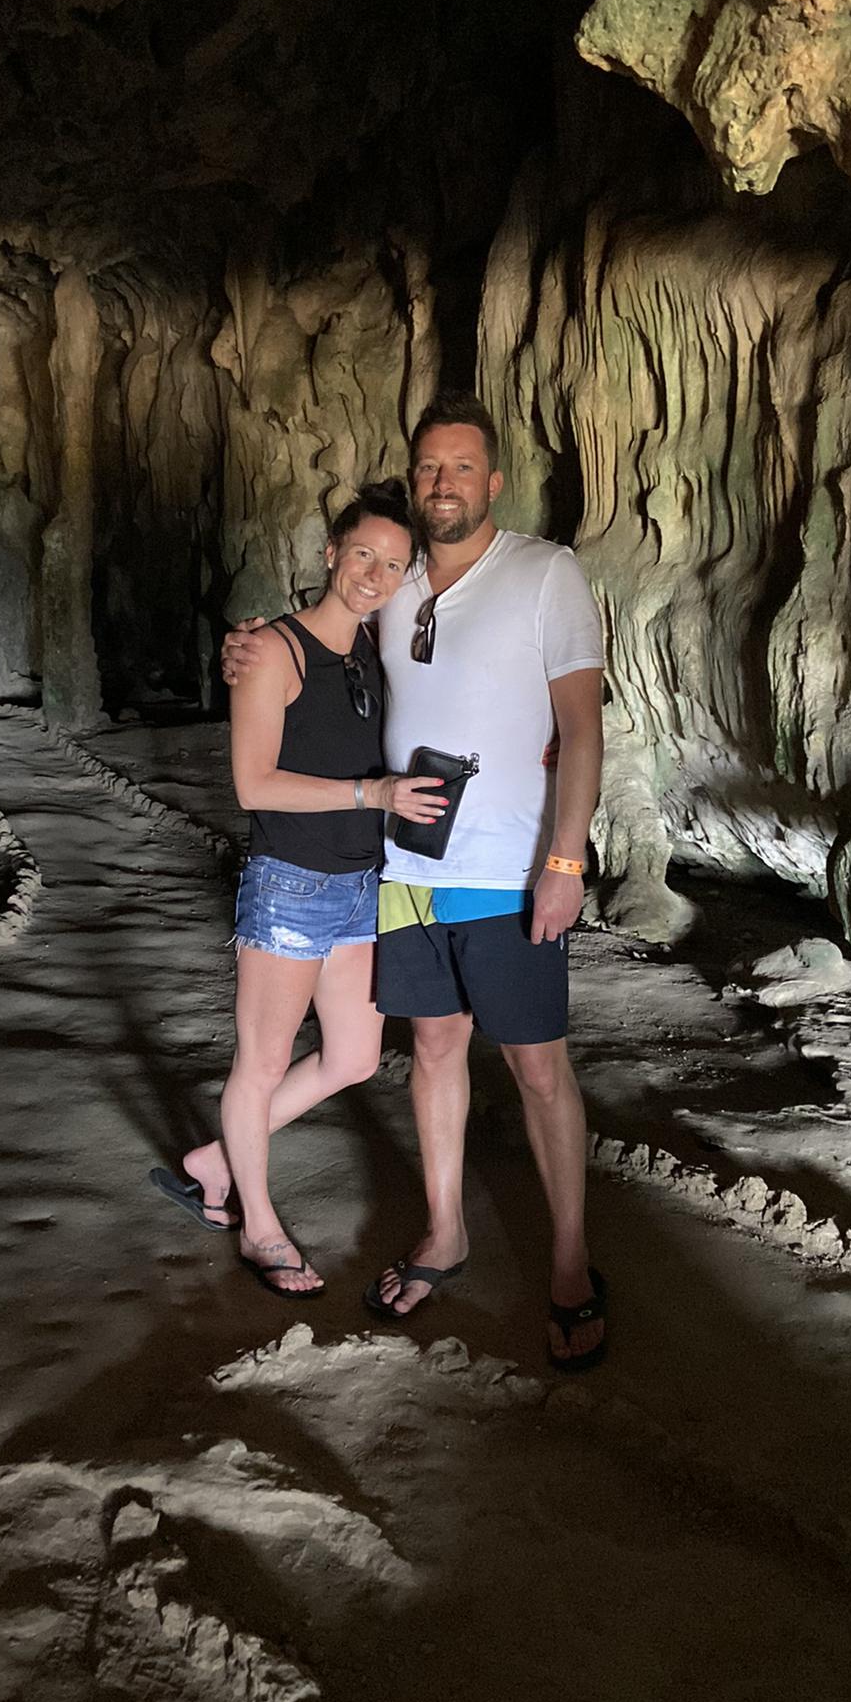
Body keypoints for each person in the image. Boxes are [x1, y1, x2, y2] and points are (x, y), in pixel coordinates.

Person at [225, 395, 607, 1369]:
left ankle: (569, 1264)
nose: (444, 483)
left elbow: (584, 725)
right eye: (430, 467)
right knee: (432, 1052)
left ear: (494, 479)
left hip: (510, 869)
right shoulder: (395, 583)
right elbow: (316, 636)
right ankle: (447, 1231)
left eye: (462, 467)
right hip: (403, 872)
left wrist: (565, 860)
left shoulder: (544, 573)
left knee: (535, 1066)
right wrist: (251, 644)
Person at [155, 481, 446, 1298]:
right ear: (330, 552)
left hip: (362, 886)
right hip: (289, 885)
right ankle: (257, 1222)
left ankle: (212, 1159)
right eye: (362, 554)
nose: (374, 574)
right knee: (263, 1061)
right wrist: (372, 794)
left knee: (354, 1055)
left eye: (392, 564)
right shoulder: (273, 652)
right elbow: (253, 785)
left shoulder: (375, 650)